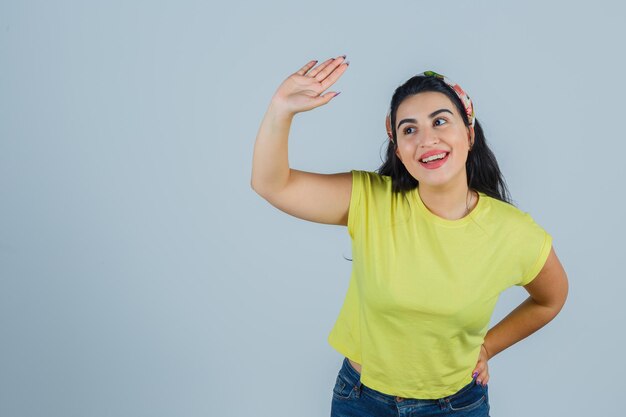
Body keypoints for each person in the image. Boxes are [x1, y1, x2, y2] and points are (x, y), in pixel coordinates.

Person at [250, 55, 569, 417]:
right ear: (398, 149)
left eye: (440, 121)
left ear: (469, 133)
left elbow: (550, 300)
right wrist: (281, 109)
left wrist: (488, 347)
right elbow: (271, 184)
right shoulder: (369, 199)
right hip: (360, 401)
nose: (426, 140)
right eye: (409, 129)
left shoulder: (513, 232)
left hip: (455, 407)